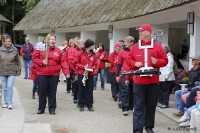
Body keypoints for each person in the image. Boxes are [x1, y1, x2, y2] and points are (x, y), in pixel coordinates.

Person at [125, 24, 168, 133]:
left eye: (141, 31)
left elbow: (165, 60)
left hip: (153, 82)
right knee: (138, 106)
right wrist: (135, 63)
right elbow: (128, 61)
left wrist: (156, 62)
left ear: (148, 32)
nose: (139, 33)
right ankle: (137, 130)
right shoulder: (135, 47)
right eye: (139, 31)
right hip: (138, 82)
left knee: (151, 106)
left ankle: (149, 127)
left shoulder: (157, 46)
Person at [32, 34, 70, 115]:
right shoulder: (40, 48)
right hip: (42, 73)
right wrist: (41, 62)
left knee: (52, 92)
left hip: (54, 74)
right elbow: (34, 58)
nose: (54, 41)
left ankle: (52, 109)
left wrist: (66, 72)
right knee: (42, 92)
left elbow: (63, 62)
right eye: (52, 39)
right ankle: (41, 108)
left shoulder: (58, 51)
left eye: (54, 40)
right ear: (47, 40)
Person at [74, 39, 98, 112]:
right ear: (88, 46)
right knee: (81, 89)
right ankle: (81, 104)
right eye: (92, 45)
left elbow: (96, 64)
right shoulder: (80, 53)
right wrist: (83, 67)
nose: (93, 46)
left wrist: (91, 68)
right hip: (82, 73)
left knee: (90, 90)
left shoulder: (94, 54)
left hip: (90, 74)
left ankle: (89, 105)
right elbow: (76, 62)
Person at [0, 35, 21, 109]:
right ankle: (5, 102)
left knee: (9, 86)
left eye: (9, 41)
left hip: (12, 71)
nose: (8, 43)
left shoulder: (15, 50)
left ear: (11, 41)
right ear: (4, 42)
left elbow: (18, 61)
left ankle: (10, 103)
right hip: (2, 71)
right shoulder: (0, 49)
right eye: (6, 41)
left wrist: (18, 71)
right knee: (4, 87)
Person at [116, 36, 134, 115]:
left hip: (134, 74)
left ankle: (131, 107)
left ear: (132, 43)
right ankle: (125, 108)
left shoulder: (135, 51)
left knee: (132, 91)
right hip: (124, 73)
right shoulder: (122, 52)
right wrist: (117, 75)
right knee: (125, 91)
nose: (126, 43)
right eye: (125, 42)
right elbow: (119, 64)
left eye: (128, 42)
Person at [69, 39, 85, 104]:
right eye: (80, 44)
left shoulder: (85, 52)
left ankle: (81, 98)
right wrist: (74, 68)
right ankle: (75, 97)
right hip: (76, 69)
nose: (81, 45)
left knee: (82, 85)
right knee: (76, 85)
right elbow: (71, 60)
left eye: (82, 44)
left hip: (83, 70)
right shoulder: (74, 51)